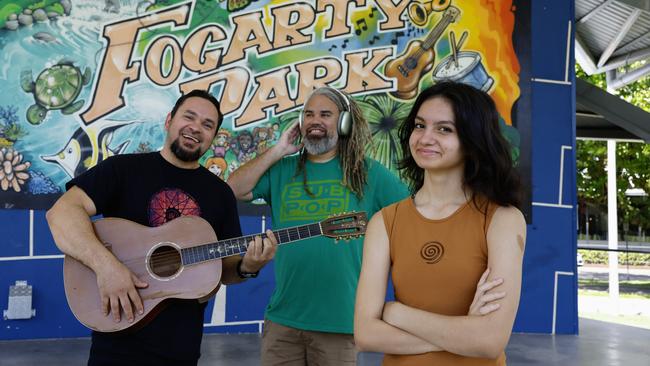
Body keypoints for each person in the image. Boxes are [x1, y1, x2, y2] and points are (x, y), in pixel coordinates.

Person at [46, 89, 278, 366]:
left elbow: (226, 270)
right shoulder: (122, 170)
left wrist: (248, 267)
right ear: (169, 121)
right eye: (189, 117)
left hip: (181, 350)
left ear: (214, 137)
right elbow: (60, 213)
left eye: (207, 125)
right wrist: (107, 267)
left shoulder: (220, 194)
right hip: (115, 347)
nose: (196, 128)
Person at [227, 86, 410, 365]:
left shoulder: (368, 173)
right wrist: (278, 150)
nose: (315, 120)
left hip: (340, 324)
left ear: (343, 123)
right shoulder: (284, 169)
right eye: (308, 114)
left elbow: (412, 218)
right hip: (283, 322)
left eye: (326, 114)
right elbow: (233, 191)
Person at [354, 81, 526, 365]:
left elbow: (489, 342)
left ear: (473, 140)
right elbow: (366, 334)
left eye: (444, 129)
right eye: (420, 126)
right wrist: (463, 333)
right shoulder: (385, 222)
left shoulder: (502, 219)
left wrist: (397, 313)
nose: (425, 138)